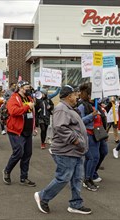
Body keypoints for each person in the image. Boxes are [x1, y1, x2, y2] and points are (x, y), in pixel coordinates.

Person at [34, 85, 92, 215]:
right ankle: (43, 196)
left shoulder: (69, 108)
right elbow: (61, 128)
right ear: (68, 96)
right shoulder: (61, 109)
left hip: (76, 151)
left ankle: (76, 204)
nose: (77, 96)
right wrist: (76, 141)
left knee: (77, 178)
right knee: (63, 178)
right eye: (75, 94)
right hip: (66, 151)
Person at [2, 80, 36, 186]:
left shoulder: (29, 98)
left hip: (27, 130)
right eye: (27, 87)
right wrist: (27, 107)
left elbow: (33, 113)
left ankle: (24, 177)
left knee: (27, 154)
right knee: (18, 152)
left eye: (29, 87)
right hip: (16, 131)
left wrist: (34, 127)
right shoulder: (14, 98)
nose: (28, 89)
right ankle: (7, 171)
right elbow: (13, 111)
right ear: (21, 88)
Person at [77, 83, 108, 191]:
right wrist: (91, 115)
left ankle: (89, 176)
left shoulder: (96, 104)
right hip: (89, 134)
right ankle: (87, 179)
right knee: (93, 157)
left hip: (98, 134)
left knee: (98, 155)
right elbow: (79, 121)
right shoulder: (82, 106)